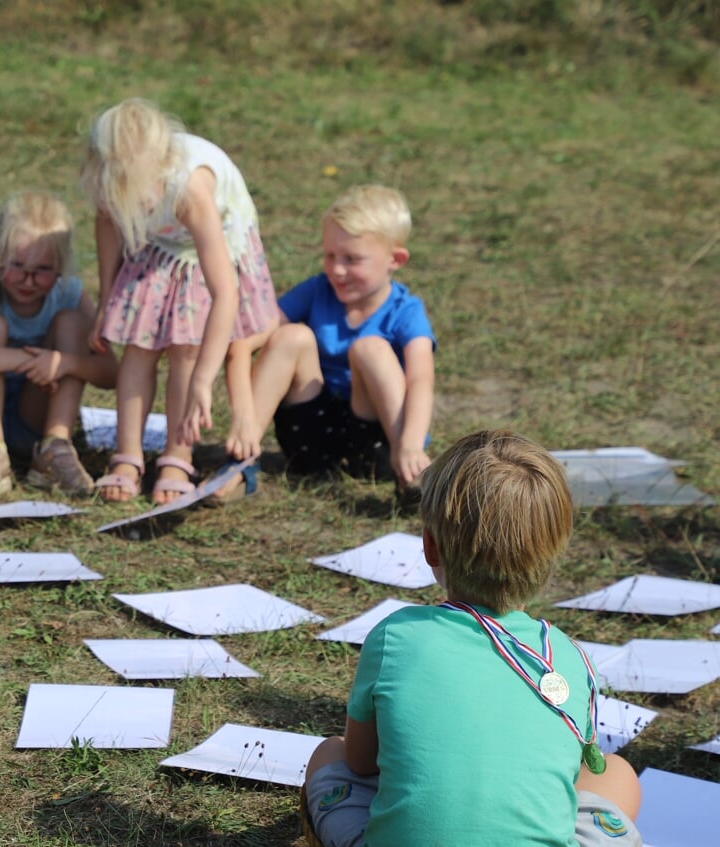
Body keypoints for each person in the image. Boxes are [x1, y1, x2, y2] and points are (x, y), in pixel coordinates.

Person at [301, 430, 643, 847]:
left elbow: (358, 759)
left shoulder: (396, 635)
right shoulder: (568, 658)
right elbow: (559, 783)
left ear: (430, 547)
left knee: (328, 755)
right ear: (554, 556)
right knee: (617, 774)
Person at [81, 98, 278, 504]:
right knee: (139, 348)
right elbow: (107, 224)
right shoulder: (110, 174)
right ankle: (129, 456)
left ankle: (177, 454)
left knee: (186, 351)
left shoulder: (190, 190)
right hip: (160, 244)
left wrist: (206, 379)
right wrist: (106, 297)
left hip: (212, 248)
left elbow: (225, 292)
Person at [225, 185, 433, 493]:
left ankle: (411, 475)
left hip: (377, 446)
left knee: (370, 347)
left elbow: (421, 380)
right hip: (313, 441)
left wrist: (412, 444)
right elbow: (248, 341)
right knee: (290, 337)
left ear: (396, 260)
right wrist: (241, 414)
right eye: (330, 255)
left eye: (352, 258)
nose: (336, 269)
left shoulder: (407, 311)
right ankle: (239, 463)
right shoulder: (317, 290)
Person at [0, 192, 117, 496]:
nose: (28, 279)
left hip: (34, 416)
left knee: (73, 324)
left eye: (43, 270)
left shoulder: (69, 292)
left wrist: (64, 363)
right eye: (17, 265)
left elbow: (110, 371)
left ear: (62, 265)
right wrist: (26, 360)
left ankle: (55, 448)